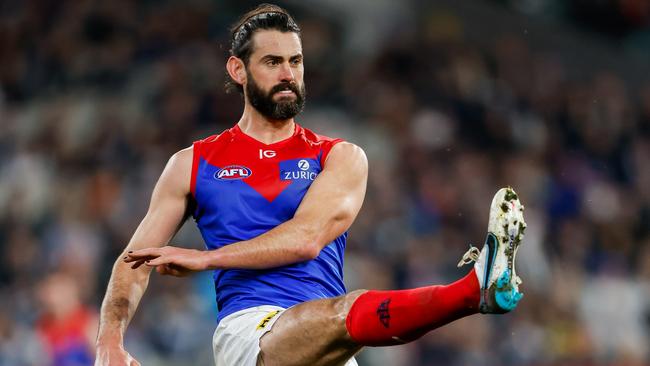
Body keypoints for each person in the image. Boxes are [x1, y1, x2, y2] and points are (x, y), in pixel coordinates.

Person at [94, 4, 527, 366]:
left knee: (337, 317)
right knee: (341, 314)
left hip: (328, 344)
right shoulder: (192, 164)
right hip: (253, 333)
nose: (287, 73)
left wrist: (206, 259)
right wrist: (109, 341)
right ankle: (472, 292)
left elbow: (306, 240)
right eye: (272, 62)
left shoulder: (340, 157)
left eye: (295, 61)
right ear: (238, 70)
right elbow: (133, 262)